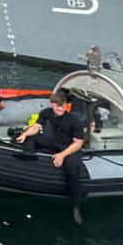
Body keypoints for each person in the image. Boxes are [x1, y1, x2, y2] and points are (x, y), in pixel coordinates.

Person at [15, 91, 86, 224]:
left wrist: (62, 155)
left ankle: (76, 207)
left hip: (70, 147)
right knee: (31, 137)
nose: (61, 109)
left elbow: (78, 143)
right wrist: (24, 134)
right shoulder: (46, 113)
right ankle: (28, 155)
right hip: (55, 143)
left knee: (73, 168)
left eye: (63, 106)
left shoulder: (74, 120)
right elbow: (36, 127)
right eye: (58, 106)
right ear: (52, 105)